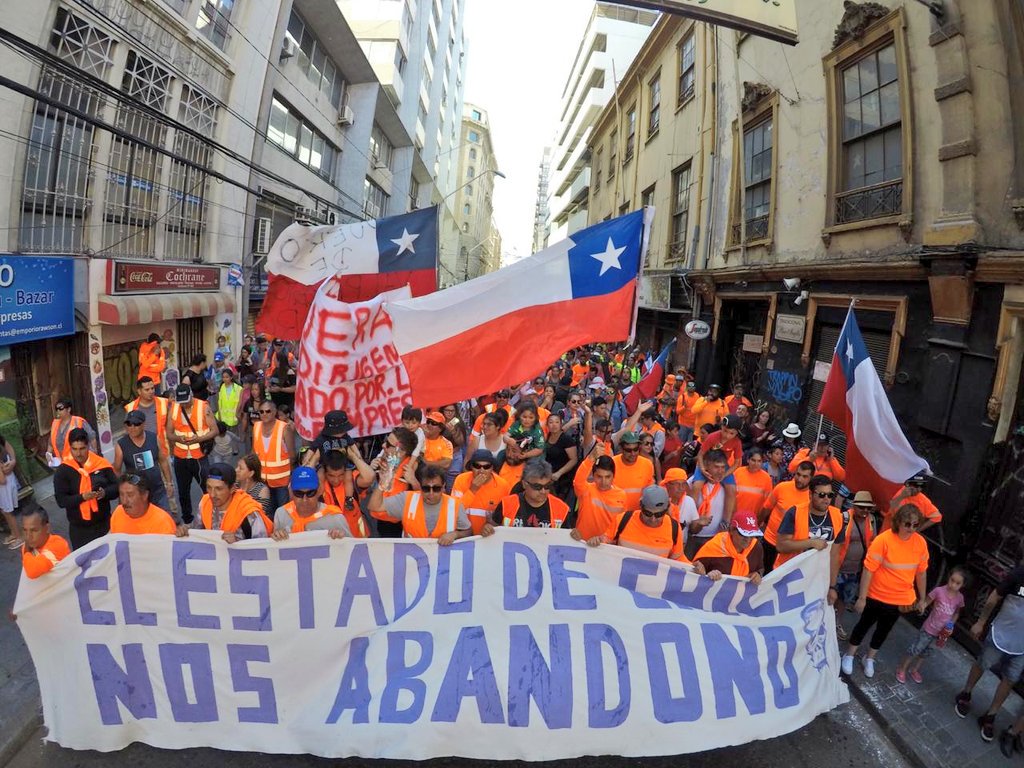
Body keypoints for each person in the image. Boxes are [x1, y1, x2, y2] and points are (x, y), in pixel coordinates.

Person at [842, 503, 929, 679]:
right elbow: (868, 569)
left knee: (884, 629)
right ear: (899, 522)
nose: (911, 529)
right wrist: (862, 597)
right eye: (907, 524)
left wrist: (922, 598)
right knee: (864, 624)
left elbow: (921, 572)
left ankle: (870, 658)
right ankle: (849, 654)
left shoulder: (920, 543)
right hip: (877, 594)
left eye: (915, 525)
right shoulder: (884, 540)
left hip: (900, 599)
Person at [955, 555, 1024, 742]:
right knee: (983, 663)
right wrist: (981, 622)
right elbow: (994, 597)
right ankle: (966, 692)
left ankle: (990, 715)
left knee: (1010, 680)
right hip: (1001, 633)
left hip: (1022, 647)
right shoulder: (1018, 574)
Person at [575, 485, 697, 566]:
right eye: (648, 513)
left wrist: (694, 568)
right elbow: (604, 543)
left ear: (667, 509)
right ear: (640, 505)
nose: (653, 519)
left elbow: (678, 559)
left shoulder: (674, 528)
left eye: (660, 514)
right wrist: (595, 542)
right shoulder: (623, 519)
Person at [368, 463, 472, 543]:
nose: (431, 493)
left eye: (436, 488)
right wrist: (382, 484)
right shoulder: (406, 499)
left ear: (443, 487)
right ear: (420, 486)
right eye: (426, 488)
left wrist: (455, 535)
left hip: (442, 564)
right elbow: (374, 506)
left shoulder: (455, 505)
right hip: (412, 564)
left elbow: (468, 532)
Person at [896, 567, 966, 684]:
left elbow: (957, 613)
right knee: (916, 649)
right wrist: (920, 607)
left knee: (926, 652)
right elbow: (926, 602)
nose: (953, 584)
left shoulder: (960, 598)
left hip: (941, 633)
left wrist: (951, 624)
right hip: (929, 628)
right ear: (948, 578)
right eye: (952, 580)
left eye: (957, 583)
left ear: (962, 585)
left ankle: (915, 669)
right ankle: (902, 668)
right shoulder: (939, 591)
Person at [52, 428, 118, 549]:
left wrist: (105, 493)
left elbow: (117, 487)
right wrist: (82, 497)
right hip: (80, 531)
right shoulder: (63, 471)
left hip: (104, 525)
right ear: (69, 448)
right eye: (74, 449)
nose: (78, 454)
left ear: (88, 446)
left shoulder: (101, 464)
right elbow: (61, 501)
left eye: (82, 448)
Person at [113, 410, 176, 519]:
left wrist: (169, 483)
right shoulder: (121, 445)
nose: (132, 427)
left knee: (165, 519)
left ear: (143, 424)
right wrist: (122, 491)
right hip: (137, 494)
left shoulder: (153, 438)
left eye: (136, 424)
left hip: (157, 490)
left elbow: (163, 461)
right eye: (129, 424)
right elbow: (117, 470)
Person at [773, 474, 846, 569]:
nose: (826, 499)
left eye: (830, 495)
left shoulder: (838, 516)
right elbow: (781, 546)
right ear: (810, 494)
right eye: (822, 495)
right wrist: (811, 543)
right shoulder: (795, 512)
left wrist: (831, 583)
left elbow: (834, 555)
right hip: (791, 574)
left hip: (818, 576)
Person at [833, 491, 878, 640]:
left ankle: (836, 623)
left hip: (855, 572)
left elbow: (874, 543)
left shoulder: (871, 521)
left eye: (868, 508)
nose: (865, 511)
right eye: (861, 508)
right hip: (838, 569)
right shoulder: (843, 518)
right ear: (854, 506)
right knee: (829, 597)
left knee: (844, 600)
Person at [190, 462, 273, 542]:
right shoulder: (204, 503)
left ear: (232, 488)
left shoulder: (249, 513)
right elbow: (196, 534)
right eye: (209, 487)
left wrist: (238, 543)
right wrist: (185, 532)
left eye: (219, 489)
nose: (212, 494)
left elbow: (261, 546)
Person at [170, 384, 216, 524]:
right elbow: (169, 434)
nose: (184, 404)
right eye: (181, 402)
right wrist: (179, 439)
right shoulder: (174, 409)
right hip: (180, 457)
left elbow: (214, 430)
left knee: (207, 490)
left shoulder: (203, 407)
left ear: (191, 395)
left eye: (186, 401)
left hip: (199, 457)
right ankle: (188, 520)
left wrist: (199, 439)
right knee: (183, 492)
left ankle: (211, 517)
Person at [484, 459, 569, 531]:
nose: (543, 491)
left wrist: (574, 535)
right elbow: (493, 530)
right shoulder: (507, 504)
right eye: (537, 486)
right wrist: (487, 530)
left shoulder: (561, 509)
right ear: (524, 484)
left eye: (547, 486)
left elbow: (567, 542)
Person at [760, 460, 814, 570]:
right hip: (770, 541)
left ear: (811, 478)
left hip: (791, 548)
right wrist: (759, 525)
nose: (799, 479)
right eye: (798, 474)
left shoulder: (811, 498)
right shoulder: (782, 487)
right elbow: (766, 508)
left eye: (805, 476)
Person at [271, 466, 351, 540]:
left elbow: (353, 549)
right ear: (291, 492)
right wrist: (276, 536)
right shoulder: (281, 514)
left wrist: (341, 538)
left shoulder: (335, 517)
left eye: (310, 493)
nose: (304, 499)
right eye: (298, 494)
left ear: (319, 490)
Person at [685, 449, 737, 560]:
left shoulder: (727, 486)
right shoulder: (692, 482)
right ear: (707, 467)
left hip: (715, 538)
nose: (720, 471)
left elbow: (734, 507)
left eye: (723, 467)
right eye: (716, 467)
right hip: (693, 538)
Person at [369, 427, 420, 538]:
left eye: (388, 444)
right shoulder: (382, 461)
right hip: (380, 523)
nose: (383, 445)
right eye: (385, 441)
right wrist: (370, 470)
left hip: (401, 528)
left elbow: (429, 499)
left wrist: (414, 482)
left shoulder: (418, 470)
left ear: (401, 452)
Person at [694, 512, 765, 583]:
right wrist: (707, 575)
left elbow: (760, 568)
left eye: (752, 535)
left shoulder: (756, 547)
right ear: (731, 530)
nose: (748, 540)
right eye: (743, 534)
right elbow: (694, 572)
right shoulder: (713, 547)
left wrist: (758, 574)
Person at [451, 449, 511, 534]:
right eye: (477, 466)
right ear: (471, 467)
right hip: (464, 537)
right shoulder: (460, 480)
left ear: (492, 468)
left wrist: (493, 526)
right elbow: (454, 512)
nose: (481, 470)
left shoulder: (503, 486)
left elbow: (507, 519)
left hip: (489, 537)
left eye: (486, 467)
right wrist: (472, 490)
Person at [572, 447, 627, 540]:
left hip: (605, 547)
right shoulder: (586, 490)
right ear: (593, 475)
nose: (603, 481)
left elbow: (620, 524)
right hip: (582, 542)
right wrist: (591, 458)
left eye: (607, 477)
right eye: (599, 476)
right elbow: (578, 481)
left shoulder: (622, 495)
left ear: (614, 475)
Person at [252, 399, 293, 511]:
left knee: (282, 511)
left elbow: (292, 456)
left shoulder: (284, 428)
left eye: (268, 411)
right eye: (261, 412)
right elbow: (253, 452)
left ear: (275, 412)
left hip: (281, 482)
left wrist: (290, 481)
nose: (264, 414)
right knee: (266, 511)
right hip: (262, 480)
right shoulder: (256, 427)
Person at [320, 449, 372, 537]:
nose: (336, 480)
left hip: (358, 539)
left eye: (341, 475)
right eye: (331, 475)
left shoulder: (351, 479)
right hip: (332, 540)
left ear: (346, 471)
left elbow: (370, 477)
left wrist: (353, 456)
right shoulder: (319, 485)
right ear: (324, 472)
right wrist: (314, 460)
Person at [109, 474, 178, 535]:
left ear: (145, 495)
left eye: (130, 495)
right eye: (121, 494)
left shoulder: (163, 522)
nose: (124, 501)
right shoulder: (118, 513)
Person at [20, 508, 70, 579]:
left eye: (34, 530)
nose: (28, 536)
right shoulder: (28, 546)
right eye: (25, 530)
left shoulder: (58, 544)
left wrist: (26, 552)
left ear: (47, 528)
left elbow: (32, 572)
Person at [125, 376, 170, 452]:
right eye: (147, 390)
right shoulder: (130, 408)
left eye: (152, 388)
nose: (151, 391)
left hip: (163, 449)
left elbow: (171, 428)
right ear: (139, 391)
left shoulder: (164, 403)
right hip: (142, 450)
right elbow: (129, 432)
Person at [613, 431, 655, 512]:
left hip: (638, 514)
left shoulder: (647, 464)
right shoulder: (612, 463)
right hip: (617, 514)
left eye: (636, 449)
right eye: (628, 450)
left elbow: (650, 490)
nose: (633, 453)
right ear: (621, 449)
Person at [544, 412, 578, 501]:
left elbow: (574, 460)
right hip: (549, 476)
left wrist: (559, 473)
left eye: (556, 422)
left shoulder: (566, 439)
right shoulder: (546, 438)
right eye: (551, 422)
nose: (554, 425)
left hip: (563, 479)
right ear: (547, 425)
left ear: (560, 424)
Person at [732, 448, 773, 520]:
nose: (756, 464)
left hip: (752, 519)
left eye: (759, 461)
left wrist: (759, 519)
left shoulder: (766, 478)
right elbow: (731, 494)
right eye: (753, 460)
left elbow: (767, 503)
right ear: (748, 460)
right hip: (735, 517)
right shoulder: (738, 472)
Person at [236, 453, 272, 521]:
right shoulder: (234, 485)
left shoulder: (262, 490)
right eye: (237, 466)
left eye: (240, 468)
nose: (236, 470)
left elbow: (257, 516)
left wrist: (244, 494)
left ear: (251, 473)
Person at [0, 435, 21, 549]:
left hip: (5, 487)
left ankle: (19, 536)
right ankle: (14, 533)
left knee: (8, 511)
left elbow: (2, 480)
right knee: (5, 511)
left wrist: (13, 461)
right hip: (6, 485)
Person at [441, 404, 469, 490]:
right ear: (443, 411)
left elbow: (461, 442)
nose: (449, 413)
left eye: (452, 411)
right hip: (439, 457)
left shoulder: (459, 423)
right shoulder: (437, 422)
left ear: (455, 411)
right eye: (447, 410)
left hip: (455, 457)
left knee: (451, 487)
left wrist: (453, 431)